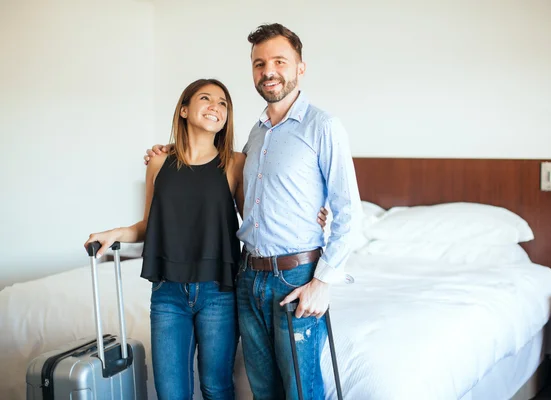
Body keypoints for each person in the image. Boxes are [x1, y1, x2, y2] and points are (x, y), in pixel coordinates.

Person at [144, 23, 360, 400]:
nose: (269, 71)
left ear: (300, 68)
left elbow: (349, 212)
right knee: (264, 391)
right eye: (260, 64)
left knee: (301, 391)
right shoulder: (254, 136)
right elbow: (217, 195)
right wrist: (167, 154)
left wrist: (322, 282)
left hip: (297, 278)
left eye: (280, 61)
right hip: (247, 279)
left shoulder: (323, 127)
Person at [86, 78, 245, 400]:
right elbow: (148, 224)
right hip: (167, 292)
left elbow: (254, 223)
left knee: (217, 387)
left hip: (219, 291)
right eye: (206, 98)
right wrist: (117, 233)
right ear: (184, 110)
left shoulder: (236, 163)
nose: (216, 106)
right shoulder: (158, 163)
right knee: (171, 393)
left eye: (223, 103)